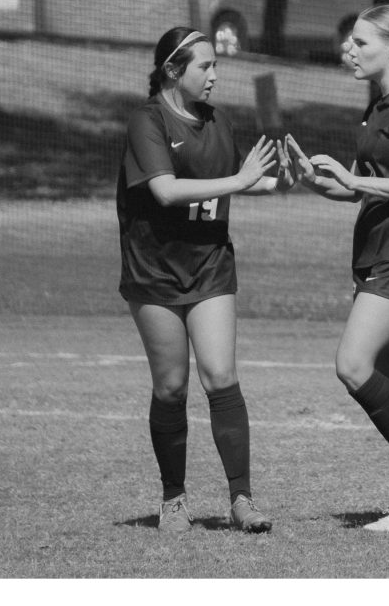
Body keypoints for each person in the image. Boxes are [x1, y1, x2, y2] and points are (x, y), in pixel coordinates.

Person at [118, 27, 292, 534]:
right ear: (174, 71)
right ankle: (174, 498)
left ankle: (242, 499)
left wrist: (283, 179)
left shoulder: (220, 121)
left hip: (210, 264)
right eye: (205, 67)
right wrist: (240, 180)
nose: (215, 76)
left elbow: (236, 182)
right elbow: (167, 191)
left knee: (221, 377)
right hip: (154, 270)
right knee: (171, 387)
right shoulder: (146, 121)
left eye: (216, 66)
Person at [286, 4, 389, 532]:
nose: (347, 49)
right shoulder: (380, 104)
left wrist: (356, 183)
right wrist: (315, 179)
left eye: (360, 42)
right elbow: (361, 184)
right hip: (381, 249)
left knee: (354, 365)